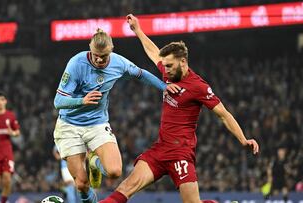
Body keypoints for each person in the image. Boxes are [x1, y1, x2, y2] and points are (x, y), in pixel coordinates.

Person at [98, 14, 260, 203]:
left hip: (180, 154)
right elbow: (153, 52)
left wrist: (243, 139)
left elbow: (223, 115)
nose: (165, 70)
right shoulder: (169, 74)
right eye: (164, 66)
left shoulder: (198, 86)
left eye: (169, 66)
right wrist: (138, 30)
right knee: (125, 188)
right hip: (160, 150)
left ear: (183, 62)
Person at [53, 28, 180, 203]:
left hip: (97, 123)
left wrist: (164, 87)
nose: (98, 59)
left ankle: (93, 162)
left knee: (114, 171)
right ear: (90, 49)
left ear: (111, 51)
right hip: (69, 125)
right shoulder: (76, 63)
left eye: (103, 56)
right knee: (82, 183)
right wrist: (82, 101)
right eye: (95, 55)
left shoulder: (119, 63)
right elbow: (58, 101)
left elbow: (141, 74)